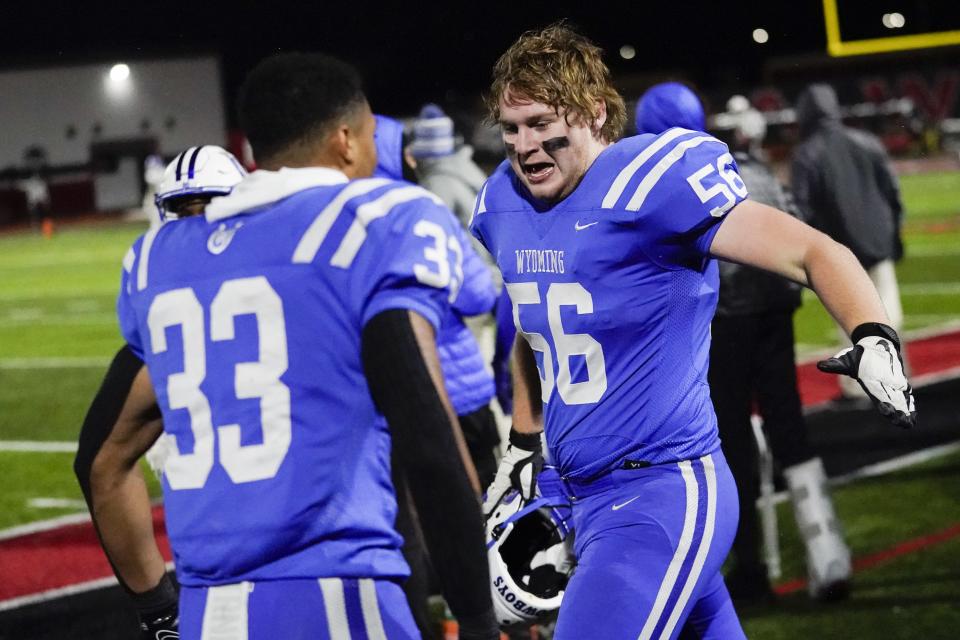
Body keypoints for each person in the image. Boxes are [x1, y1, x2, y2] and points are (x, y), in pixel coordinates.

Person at [471, 24, 915, 640]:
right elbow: (534, 320)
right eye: (512, 128)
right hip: (576, 493)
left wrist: (872, 333)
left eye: (543, 123)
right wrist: (524, 440)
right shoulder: (503, 202)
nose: (525, 145)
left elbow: (811, 251)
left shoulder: (652, 185)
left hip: (661, 490)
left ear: (596, 113)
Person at [74, 52, 498, 640]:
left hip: (207, 611)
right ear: (346, 140)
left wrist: (156, 609)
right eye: (372, 135)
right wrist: (476, 616)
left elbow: (100, 462)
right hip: (335, 597)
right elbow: (429, 441)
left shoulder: (158, 261)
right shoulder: (370, 225)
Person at [638, 84, 853, 604]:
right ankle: (829, 557)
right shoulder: (745, 167)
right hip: (776, 309)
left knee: (729, 441)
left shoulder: (665, 181)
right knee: (788, 428)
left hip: (723, 321)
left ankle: (750, 567)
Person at [373, 113, 499, 639]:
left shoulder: (332, 222)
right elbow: (477, 293)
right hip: (458, 387)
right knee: (480, 510)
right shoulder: (420, 207)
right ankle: (500, 619)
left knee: (405, 527)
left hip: (385, 405)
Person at [792, 83, 909, 400]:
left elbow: (800, 211)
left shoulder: (807, 154)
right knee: (888, 315)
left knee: (853, 321)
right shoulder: (866, 141)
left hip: (839, 254)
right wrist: (894, 233)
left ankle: (860, 388)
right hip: (878, 241)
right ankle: (897, 381)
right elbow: (892, 192)